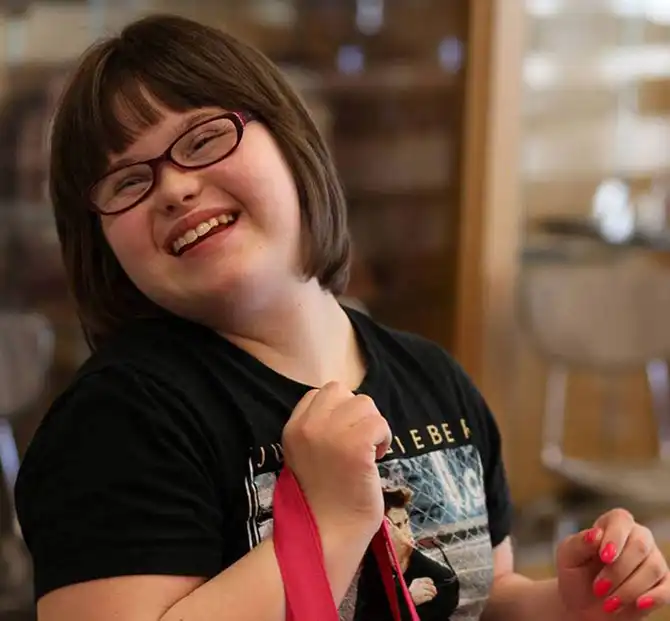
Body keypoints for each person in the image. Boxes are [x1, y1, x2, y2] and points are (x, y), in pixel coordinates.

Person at [13, 13, 669, 621]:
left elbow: (478, 595)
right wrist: (326, 524)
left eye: (205, 139)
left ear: (292, 140)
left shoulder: (434, 378)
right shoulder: (117, 421)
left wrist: (562, 605)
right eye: (129, 182)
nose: (175, 188)